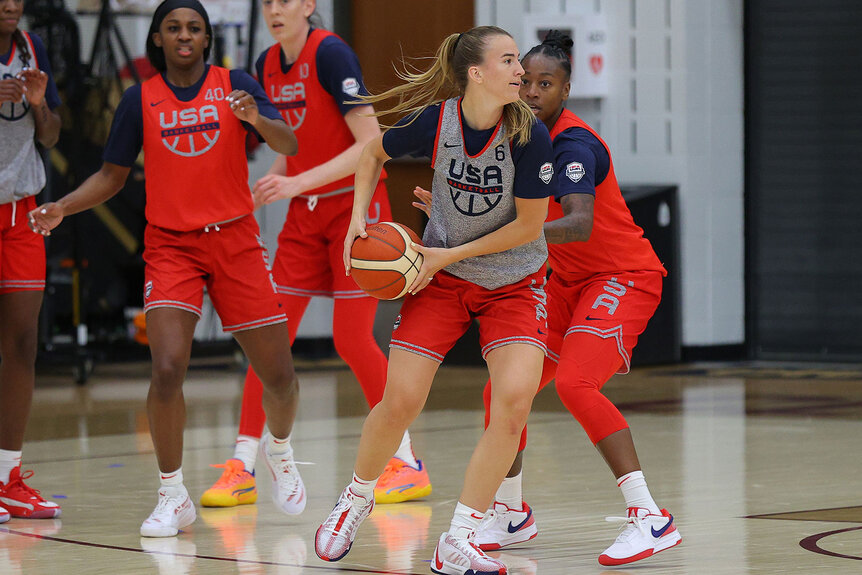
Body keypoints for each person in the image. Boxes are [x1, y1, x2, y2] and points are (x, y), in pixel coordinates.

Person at [28, 0, 303, 537]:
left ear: (206, 39)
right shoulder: (139, 100)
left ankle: (282, 452)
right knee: (167, 368)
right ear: (157, 39)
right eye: (173, 28)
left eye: (194, 29)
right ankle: (172, 494)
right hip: (171, 246)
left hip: (235, 241)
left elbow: (289, 143)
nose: (184, 36)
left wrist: (256, 118)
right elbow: (110, 177)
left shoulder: (236, 83)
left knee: (281, 377)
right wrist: (62, 206)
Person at [314, 26, 557, 575]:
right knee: (399, 400)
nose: (521, 72)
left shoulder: (528, 134)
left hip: (512, 281)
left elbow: (529, 226)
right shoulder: (437, 121)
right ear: (476, 73)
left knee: (513, 402)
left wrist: (445, 253)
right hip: (441, 280)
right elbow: (370, 153)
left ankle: (461, 536)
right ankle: (355, 497)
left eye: (519, 61)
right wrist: (357, 220)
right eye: (510, 60)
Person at [451, 30, 680, 566]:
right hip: (564, 285)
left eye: (544, 83)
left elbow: (577, 224)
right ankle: (510, 513)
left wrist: (508, 230)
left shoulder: (575, 145)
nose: (531, 91)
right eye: (523, 80)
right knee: (504, 392)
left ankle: (650, 517)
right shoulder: (511, 137)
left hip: (621, 276)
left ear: (566, 90)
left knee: (576, 384)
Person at [200, 0, 430, 511]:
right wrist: (283, 173)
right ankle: (241, 465)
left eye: (287, 1)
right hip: (306, 213)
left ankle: (406, 461)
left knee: (351, 339)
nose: (275, 11)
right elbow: (301, 139)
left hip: (356, 206)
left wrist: (295, 180)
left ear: (309, 5)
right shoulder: (264, 64)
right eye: (268, 3)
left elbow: (371, 142)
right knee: (268, 337)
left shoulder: (332, 55)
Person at [0, 0, 63, 524]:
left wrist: (40, 105)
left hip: (21, 211)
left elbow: (51, 135)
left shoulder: (30, 48)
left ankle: (8, 478)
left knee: (22, 343)